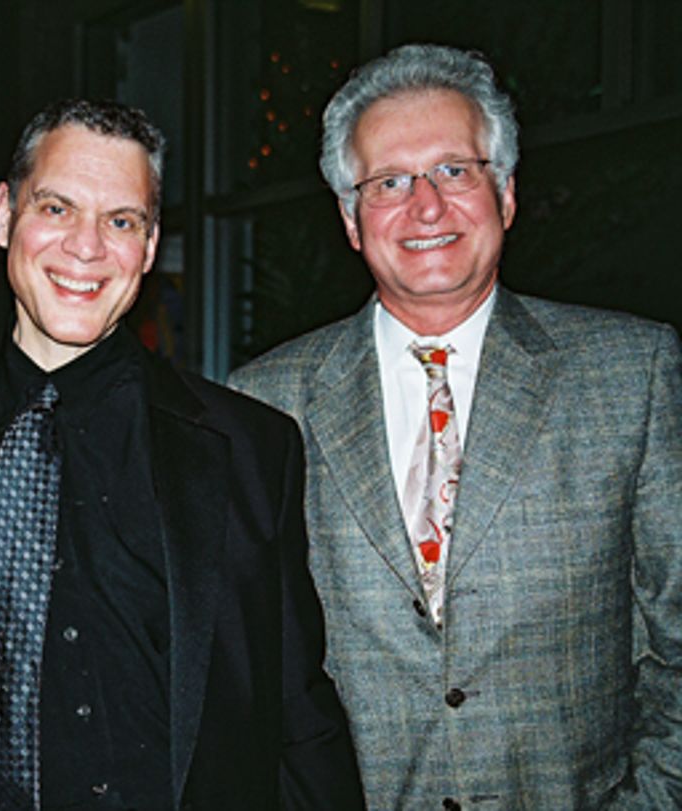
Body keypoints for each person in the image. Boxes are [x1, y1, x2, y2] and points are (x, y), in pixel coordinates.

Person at [0, 98, 363, 810]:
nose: (86, 248)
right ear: (4, 215)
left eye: (121, 221)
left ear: (150, 247)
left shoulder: (251, 448)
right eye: (56, 208)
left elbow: (295, 712)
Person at [229, 43, 682, 810]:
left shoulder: (630, 372)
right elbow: (244, 674)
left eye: (454, 170)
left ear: (504, 193)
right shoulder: (264, 402)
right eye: (390, 182)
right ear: (350, 218)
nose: (426, 205)